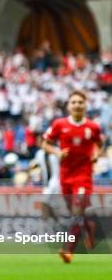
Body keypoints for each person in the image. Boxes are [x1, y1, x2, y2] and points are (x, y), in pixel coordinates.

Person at [43, 90, 104, 263]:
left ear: (86, 105)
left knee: (77, 211)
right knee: (75, 212)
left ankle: (68, 250)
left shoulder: (93, 127)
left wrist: (96, 154)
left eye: (80, 102)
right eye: (74, 102)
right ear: (69, 106)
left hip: (83, 176)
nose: (77, 105)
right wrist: (57, 151)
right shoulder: (59, 124)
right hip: (66, 176)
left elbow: (99, 143)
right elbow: (45, 143)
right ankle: (89, 227)